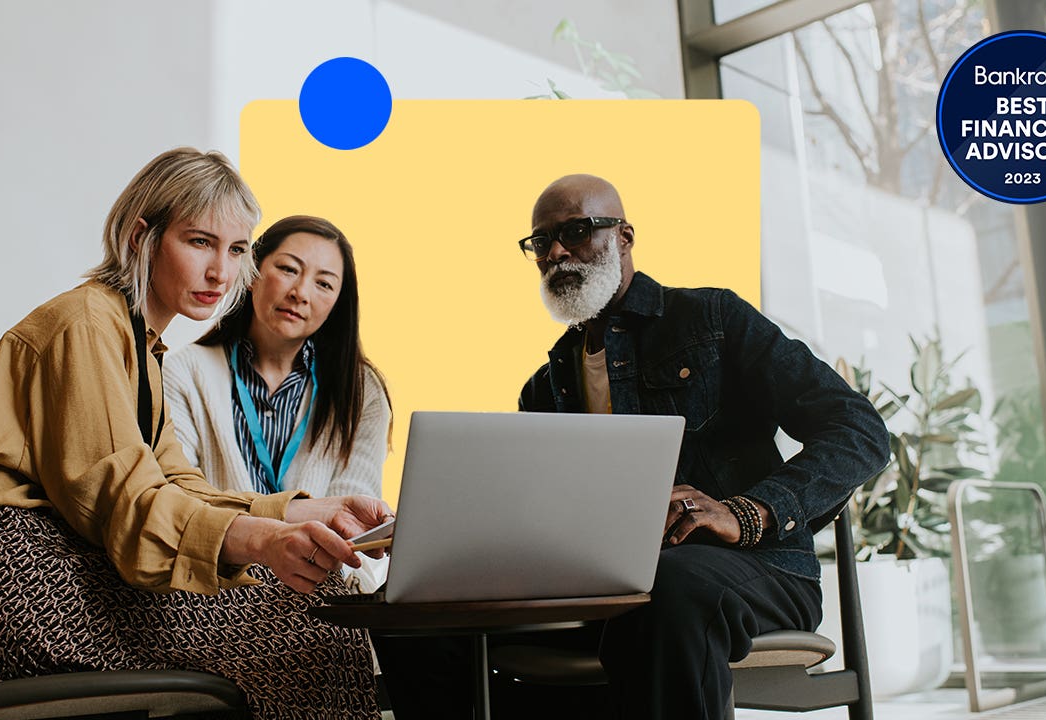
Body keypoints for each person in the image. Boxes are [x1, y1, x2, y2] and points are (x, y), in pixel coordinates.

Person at [375, 174, 889, 719]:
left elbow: (858, 429)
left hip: (750, 571)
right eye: (540, 242)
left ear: (624, 235)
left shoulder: (712, 320)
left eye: (575, 230)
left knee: (665, 592)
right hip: (601, 595)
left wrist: (748, 512)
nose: (554, 252)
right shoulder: (543, 387)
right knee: (412, 618)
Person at [0, 148, 390, 720]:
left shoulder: (137, 342)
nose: (221, 272)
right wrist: (260, 541)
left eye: (237, 250)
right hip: (10, 584)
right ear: (142, 237)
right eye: (199, 242)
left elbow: (175, 483)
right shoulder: (87, 325)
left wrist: (300, 511)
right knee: (310, 620)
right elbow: (127, 502)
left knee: (318, 603)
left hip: (55, 567)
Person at [163, 214, 392, 592]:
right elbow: (182, 503)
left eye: (323, 284)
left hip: (320, 594)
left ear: (337, 302)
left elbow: (360, 538)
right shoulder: (183, 373)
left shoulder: (362, 392)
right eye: (288, 269)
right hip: (213, 590)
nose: (300, 292)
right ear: (251, 271)